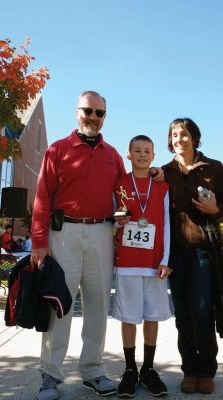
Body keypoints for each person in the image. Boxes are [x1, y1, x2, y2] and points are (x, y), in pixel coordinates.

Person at [30, 90, 126, 400]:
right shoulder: (57, 150)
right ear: (77, 112)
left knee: (98, 305)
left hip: (102, 234)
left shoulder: (114, 155)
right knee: (59, 306)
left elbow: (127, 195)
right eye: (88, 111)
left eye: (100, 113)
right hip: (64, 235)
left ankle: (93, 371)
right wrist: (39, 243)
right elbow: (42, 199)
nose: (94, 118)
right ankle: (50, 376)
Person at [162, 118, 223, 395]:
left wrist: (215, 210)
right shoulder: (164, 172)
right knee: (182, 314)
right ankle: (189, 371)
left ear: (194, 137)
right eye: (174, 134)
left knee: (203, 311)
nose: (179, 138)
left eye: (184, 133)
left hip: (204, 252)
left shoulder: (213, 168)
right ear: (170, 140)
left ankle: (206, 371)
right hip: (175, 255)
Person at [113, 135, 172, 397]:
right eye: (137, 150)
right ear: (128, 154)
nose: (142, 154)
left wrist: (166, 259)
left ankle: (148, 369)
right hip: (127, 261)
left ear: (153, 154)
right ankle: (129, 370)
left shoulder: (162, 185)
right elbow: (112, 217)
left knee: (152, 314)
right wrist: (118, 222)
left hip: (154, 262)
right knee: (128, 316)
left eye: (147, 151)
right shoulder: (120, 183)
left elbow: (168, 224)